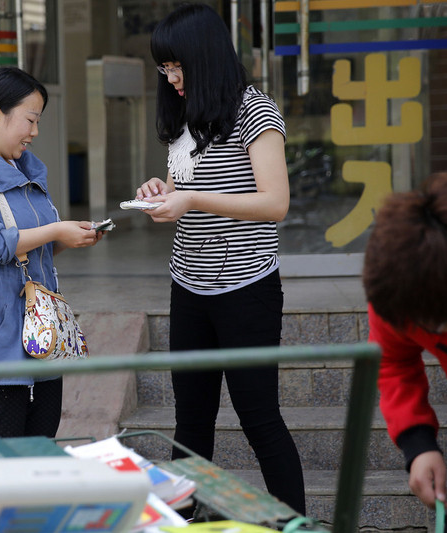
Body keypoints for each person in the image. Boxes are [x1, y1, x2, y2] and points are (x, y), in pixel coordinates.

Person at [133, 3, 305, 515]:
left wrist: (191, 199)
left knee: (259, 419)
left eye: (177, 65)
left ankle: (294, 523)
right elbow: (195, 190)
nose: (171, 77)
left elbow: (275, 203)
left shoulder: (255, 111)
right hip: (188, 285)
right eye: (164, 68)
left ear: (205, 55)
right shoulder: (186, 113)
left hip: (246, 289)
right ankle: (182, 520)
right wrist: (163, 192)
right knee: (191, 423)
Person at [0, 67, 103, 439]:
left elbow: (31, 250)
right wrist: (55, 230)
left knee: (41, 453)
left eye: (37, 121)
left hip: (45, 336)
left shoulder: (23, 167)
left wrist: (69, 237)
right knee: (5, 462)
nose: (34, 131)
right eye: (30, 119)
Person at [363, 170, 447, 532]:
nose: (433, 330)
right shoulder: (402, 294)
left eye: (445, 320)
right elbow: (394, 364)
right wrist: (418, 444)